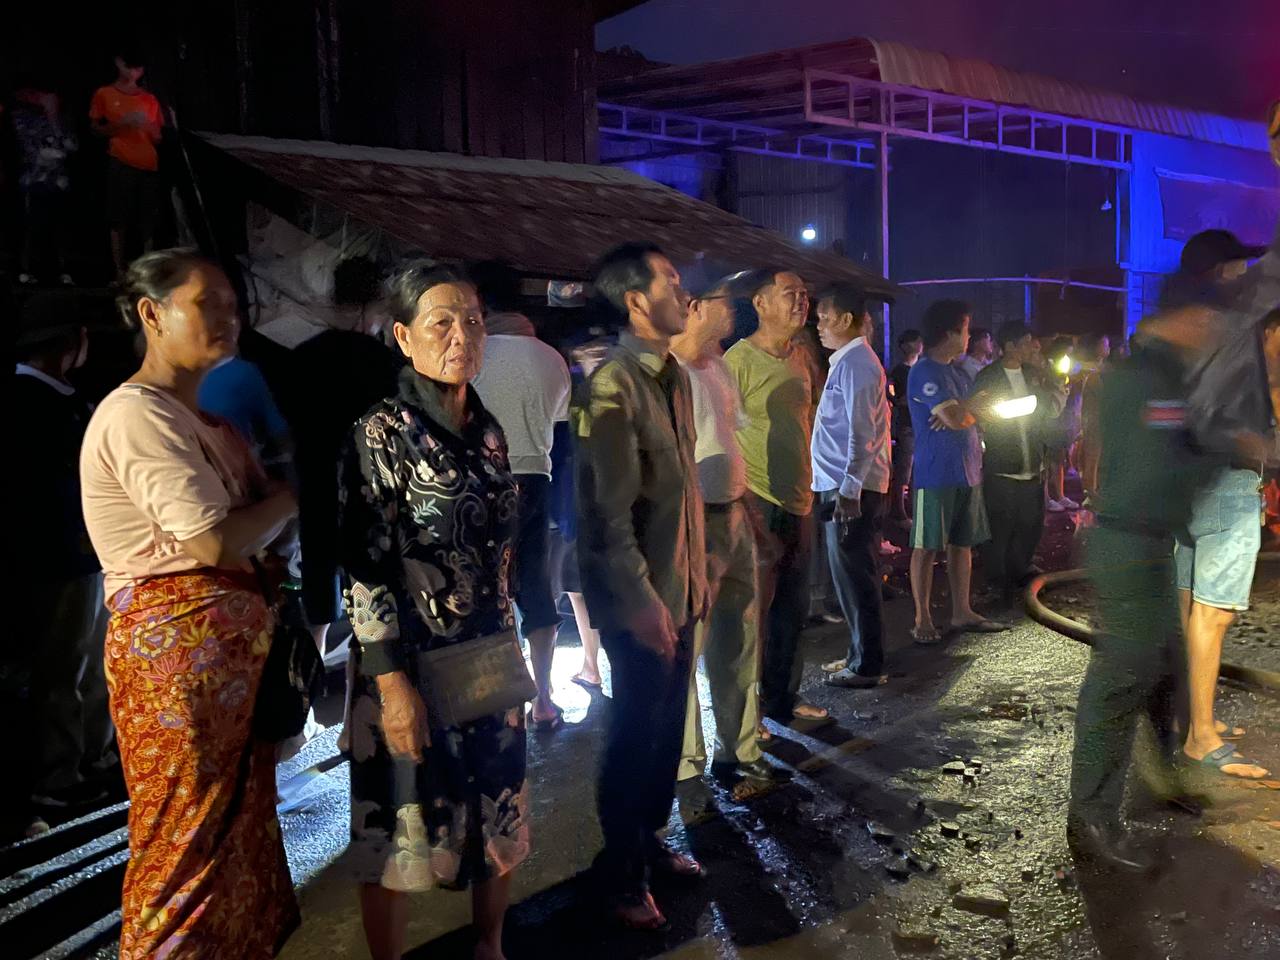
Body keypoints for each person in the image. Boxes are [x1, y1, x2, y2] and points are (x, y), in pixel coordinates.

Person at [79, 250, 300, 958]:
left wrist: (269, 514)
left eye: (234, 305)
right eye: (208, 303)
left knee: (236, 835)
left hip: (228, 664)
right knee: (186, 841)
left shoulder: (204, 421)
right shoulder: (136, 415)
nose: (229, 318)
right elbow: (213, 541)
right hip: (178, 668)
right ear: (152, 313)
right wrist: (288, 498)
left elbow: (253, 533)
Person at [337, 261, 530, 960]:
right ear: (403, 336)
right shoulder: (380, 432)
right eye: (441, 322)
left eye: (473, 321)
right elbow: (364, 567)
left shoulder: (488, 429)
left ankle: (491, 943)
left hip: (489, 654)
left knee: (498, 805)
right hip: (409, 663)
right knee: (397, 824)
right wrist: (391, 687)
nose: (462, 336)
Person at [574, 243, 708, 930]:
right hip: (641, 602)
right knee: (633, 734)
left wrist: (697, 580)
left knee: (663, 733)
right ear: (635, 302)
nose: (685, 295)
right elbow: (609, 515)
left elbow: (680, 495)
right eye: (672, 282)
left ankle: (649, 843)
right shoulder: (612, 387)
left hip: (680, 590)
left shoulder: (673, 376)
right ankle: (621, 874)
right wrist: (642, 603)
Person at [1069, 303, 1225, 873]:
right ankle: (1091, 820)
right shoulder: (1144, 378)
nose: (1212, 329)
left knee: (1166, 665)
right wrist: (1230, 449)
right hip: (1128, 542)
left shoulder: (1165, 376)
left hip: (1148, 542)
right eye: (1204, 318)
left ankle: (1162, 778)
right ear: (1176, 317)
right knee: (1120, 681)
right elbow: (1157, 471)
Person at [1162, 230, 1272, 781]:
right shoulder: (1239, 333)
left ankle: (1191, 717)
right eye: (1240, 266)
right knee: (1213, 612)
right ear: (1225, 271)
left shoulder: (1182, 328)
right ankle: (1201, 737)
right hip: (1228, 486)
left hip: (1185, 485)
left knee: (1189, 609)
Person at [671, 273, 781, 796]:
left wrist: (752, 518)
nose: (735, 309)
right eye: (725, 300)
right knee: (687, 645)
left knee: (739, 638)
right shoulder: (665, 373)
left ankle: (739, 749)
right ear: (694, 305)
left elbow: (732, 448)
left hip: (733, 515)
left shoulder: (716, 367)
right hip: (690, 523)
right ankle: (685, 762)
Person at [10, 292, 114, 832]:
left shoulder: (52, 398)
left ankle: (90, 760)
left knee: (86, 663)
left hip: (74, 555)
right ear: (70, 343)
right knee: (64, 668)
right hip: (60, 559)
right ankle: (58, 778)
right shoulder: (36, 403)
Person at [470, 261, 573, 731]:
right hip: (537, 476)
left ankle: (494, 699)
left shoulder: (473, 353)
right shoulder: (552, 358)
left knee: (484, 587)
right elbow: (561, 431)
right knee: (535, 585)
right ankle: (544, 699)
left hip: (482, 480)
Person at [725, 269, 829, 727]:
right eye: (790, 294)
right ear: (761, 303)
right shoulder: (738, 361)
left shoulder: (801, 356)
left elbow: (811, 417)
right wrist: (740, 500)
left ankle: (783, 697)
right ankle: (746, 712)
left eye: (804, 294)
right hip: (757, 498)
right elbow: (722, 433)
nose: (801, 302)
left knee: (792, 607)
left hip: (799, 497)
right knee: (754, 613)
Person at [906, 300, 1005, 643]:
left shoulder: (958, 373)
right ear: (948, 333)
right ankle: (922, 618)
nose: (968, 337)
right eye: (964, 329)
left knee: (962, 544)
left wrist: (964, 409)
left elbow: (970, 412)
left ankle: (962, 611)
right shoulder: (925, 372)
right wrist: (965, 410)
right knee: (927, 545)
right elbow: (957, 417)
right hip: (936, 474)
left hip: (968, 471)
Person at [809, 284, 892, 690]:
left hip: (850, 489)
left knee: (856, 575)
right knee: (848, 575)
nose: (818, 325)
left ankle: (867, 666)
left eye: (824, 318)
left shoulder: (857, 364)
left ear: (846, 319)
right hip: (843, 485)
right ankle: (859, 653)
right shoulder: (848, 361)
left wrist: (849, 489)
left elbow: (864, 433)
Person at [972, 322, 1066, 610]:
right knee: (999, 525)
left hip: (1033, 460)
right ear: (1009, 346)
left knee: (1029, 522)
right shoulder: (988, 376)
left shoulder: (1033, 374)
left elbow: (1050, 409)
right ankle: (996, 579)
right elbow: (983, 413)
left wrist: (1051, 379)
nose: (1032, 347)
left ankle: (1021, 568)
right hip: (1003, 463)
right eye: (1025, 342)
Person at [90, 50, 163, 275]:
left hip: (148, 164)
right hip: (121, 162)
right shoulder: (105, 94)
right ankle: (119, 271)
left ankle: (147, 271)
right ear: (119, 64)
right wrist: (122, 124)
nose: (134, 72)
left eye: (138, 68)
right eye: (130, 67)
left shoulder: (149, 99)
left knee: (148, 219)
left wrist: (150, 128)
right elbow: (95, 129)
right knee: (118, 218)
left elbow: (158, 137)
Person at [11, 79, 77, 285]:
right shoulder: (21, 117)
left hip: (59, 182)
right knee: (31, 227)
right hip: (33, 180)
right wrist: (52, 153)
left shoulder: (63, 119)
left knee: (61, 228)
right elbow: (29, 149)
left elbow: (71, 146)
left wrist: (54, 118)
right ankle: (26, 270)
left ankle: (63, 270)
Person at [887, 328, 923, 526]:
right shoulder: (900, 371)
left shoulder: (921, 368)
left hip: (919, 425)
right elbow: (893, 395)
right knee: (904, 470)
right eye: (916, 341)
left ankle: (912, 509)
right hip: (907, 424)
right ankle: (898, 511)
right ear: (906, 345)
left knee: (916, 470)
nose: (920, 345)